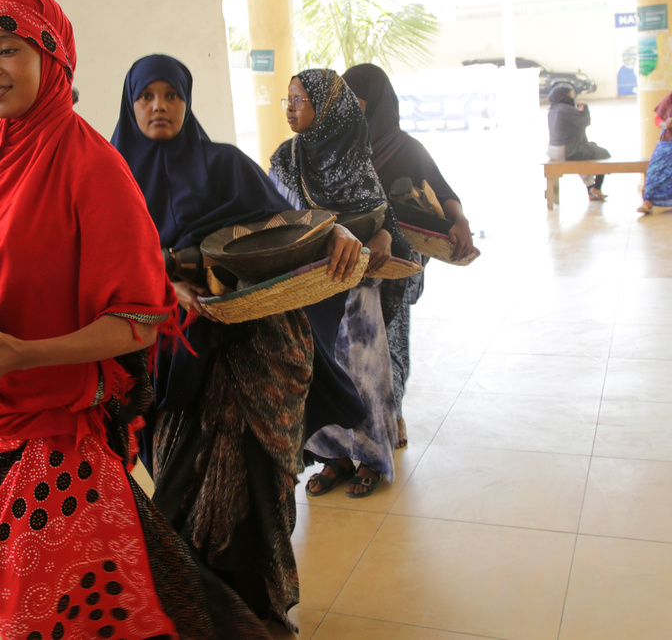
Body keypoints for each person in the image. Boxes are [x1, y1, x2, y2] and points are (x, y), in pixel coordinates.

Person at [0, 0, 273, 639]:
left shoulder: (90, 167)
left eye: (9, 49)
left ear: (54, 58)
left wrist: (21, 354)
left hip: (54, 438)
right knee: (34, 608)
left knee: (66, 614)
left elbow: (139, 319)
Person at [111, 54, 364, 629]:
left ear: (187, 101)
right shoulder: (111, 176)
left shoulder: (224, 164)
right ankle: (199, 610)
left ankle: (263, 609)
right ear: (130, 105)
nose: (159, 107)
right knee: (186, 479)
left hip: (257, 345)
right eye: (146, 96)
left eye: (171, 95)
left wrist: (340, 230)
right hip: (175, 355)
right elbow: (96, 265)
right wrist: (161, 282)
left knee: (260, 480)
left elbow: (289, 227)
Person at [270, 68, 415, 498]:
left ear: (328, 110)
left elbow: (382, 216)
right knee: (316, 372)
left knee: (365, 374)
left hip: (355, 290)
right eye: (288, 100)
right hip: (306, 286)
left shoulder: (353, 157)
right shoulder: (284, 158)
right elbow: (277, 217)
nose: (291, 109)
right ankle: (333, 456)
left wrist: (384, 236)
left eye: (299, 100)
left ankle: (371, 457)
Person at [341, 63, 475, 448]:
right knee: (352, 348)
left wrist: (459, 220)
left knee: (390, 341)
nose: (350, 108)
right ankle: (352, 429)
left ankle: (392, 414)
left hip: (396, 262)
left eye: (358, 100)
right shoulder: (336, 148)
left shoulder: (404, 148)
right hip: (349, 263)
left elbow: (444, 192)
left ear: (377, 104)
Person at [546, 83, 611, 201]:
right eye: (570, 95)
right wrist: (585, 108)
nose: (572, 97)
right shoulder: (566, 109)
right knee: (603, 153)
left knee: (585, 153)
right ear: (563, 96)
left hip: (553, 151)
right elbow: (585, 122)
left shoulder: (553, 109)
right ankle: (597, 187)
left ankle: (590, 189)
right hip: (567, 151)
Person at [639, 91, 672, 214]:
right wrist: (664, 124)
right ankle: (648, 202)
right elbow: (658, 118)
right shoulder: (670, 97)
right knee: (656, 169)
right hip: (668, 141)